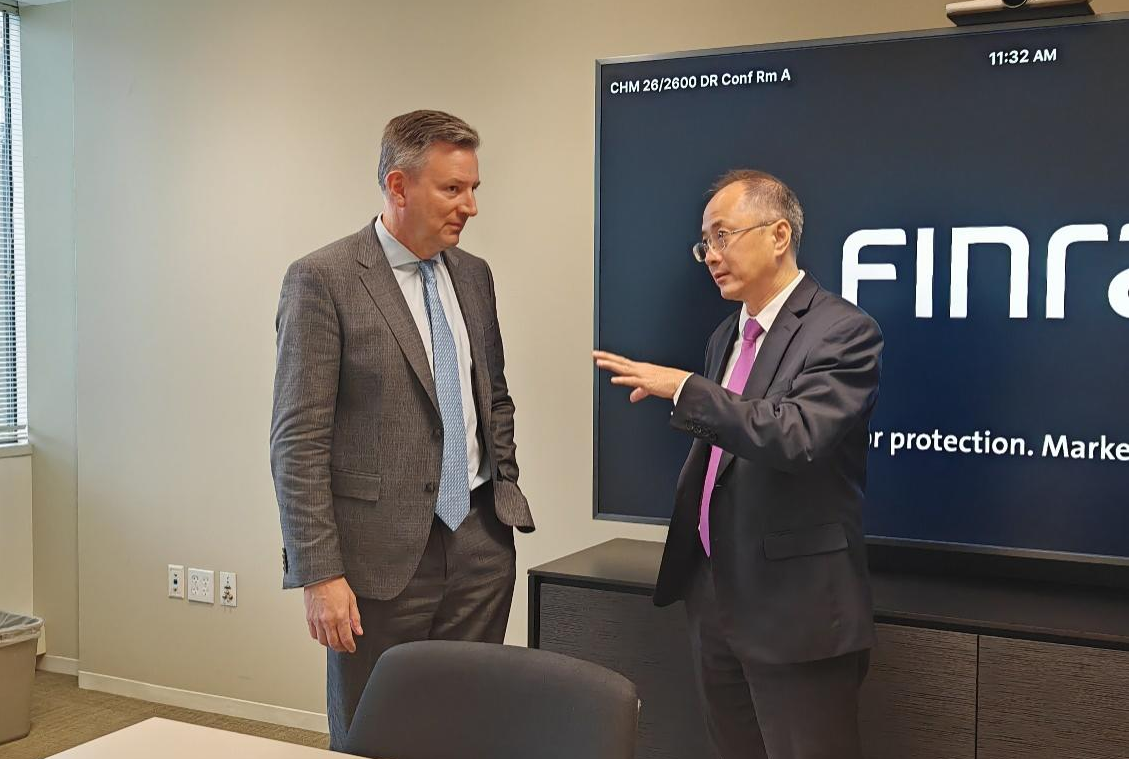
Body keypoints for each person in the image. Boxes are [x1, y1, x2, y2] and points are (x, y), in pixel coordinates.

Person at [594, 170, 882, 759]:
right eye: (705, 242)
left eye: (723, 236)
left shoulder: (844, 330)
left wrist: (686, 389)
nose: (711, 255)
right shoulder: (727, 333)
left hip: (795, 610)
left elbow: (798, 435)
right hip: (716, 598)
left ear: (779, 235)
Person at [270, 110, 534, 750]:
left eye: (473, 188)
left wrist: (502, 488)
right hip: (376, 561)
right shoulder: (323, 279)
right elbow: (297, 442)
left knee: (467, 730)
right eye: (453, 189)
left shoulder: (473, 275)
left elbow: (494, 397)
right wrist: (319, 574)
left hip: (479, 546)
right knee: (377, 736)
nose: (470, 206)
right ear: (399, 186)